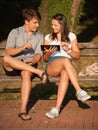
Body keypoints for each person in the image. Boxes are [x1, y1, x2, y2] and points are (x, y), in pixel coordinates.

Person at [2, 8, 48, 121]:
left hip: (29, 65)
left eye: (38, 22)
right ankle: (39, 72)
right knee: (6, 58)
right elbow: (8, 52)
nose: (37, 25)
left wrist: (33, 61)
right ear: (26, 21)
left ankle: (22, 110)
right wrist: (22, 48)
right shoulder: (15, 32)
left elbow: (38, 55)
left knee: (26, 73)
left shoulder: (39, 36)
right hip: (13, 64)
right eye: (35, 22)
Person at [43, 13, 91, 119]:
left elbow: (77, 55)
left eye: (55, 25)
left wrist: (68, 50)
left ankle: (56, 109)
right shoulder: (48, 37)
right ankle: (78, 90)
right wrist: (48, 53)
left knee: (65, 73)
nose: (53, 27)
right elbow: (45, 59)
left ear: (62, 25)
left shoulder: (71, 36)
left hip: (66, 66)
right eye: (52, 25)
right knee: (65, 60)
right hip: (52, 64)